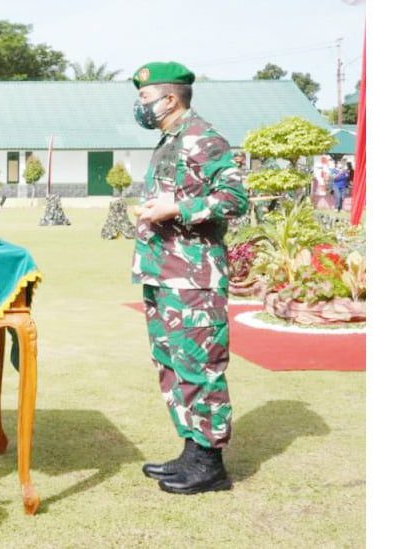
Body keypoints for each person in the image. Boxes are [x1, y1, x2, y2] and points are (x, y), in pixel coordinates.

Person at [131, 61, 248, 494]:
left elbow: (234, 198)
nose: (140, 106)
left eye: (145, 98)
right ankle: (191, 450)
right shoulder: (170, 141)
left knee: (200, 366)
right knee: (173, 365)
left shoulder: (203, 138)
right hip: (164, 272)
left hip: (194, 277)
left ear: (169, 99)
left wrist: (177, 209)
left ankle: (210, 464)